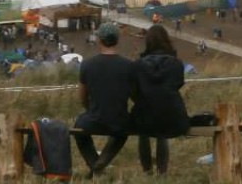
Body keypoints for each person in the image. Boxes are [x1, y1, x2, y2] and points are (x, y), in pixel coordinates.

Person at [74, 22, 135, 176]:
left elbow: (82, 97)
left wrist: (90, 109)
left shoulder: (88, 64)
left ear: (99, 39)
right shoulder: (129, 65)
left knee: (78, 128)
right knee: (123, 133)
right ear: (117, 40)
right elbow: (135, 95)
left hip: (94, 118)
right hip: (119, 120)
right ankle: (101, 163)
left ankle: (94, 163)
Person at [131, 24, 190, 175]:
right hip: (172, 114)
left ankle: (147, 170)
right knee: (162, 135)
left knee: (143, 134)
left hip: (144, 113)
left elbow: (133, 89)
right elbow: (178, 84)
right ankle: (162, 172)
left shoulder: (138, 65)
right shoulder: (176, 63)